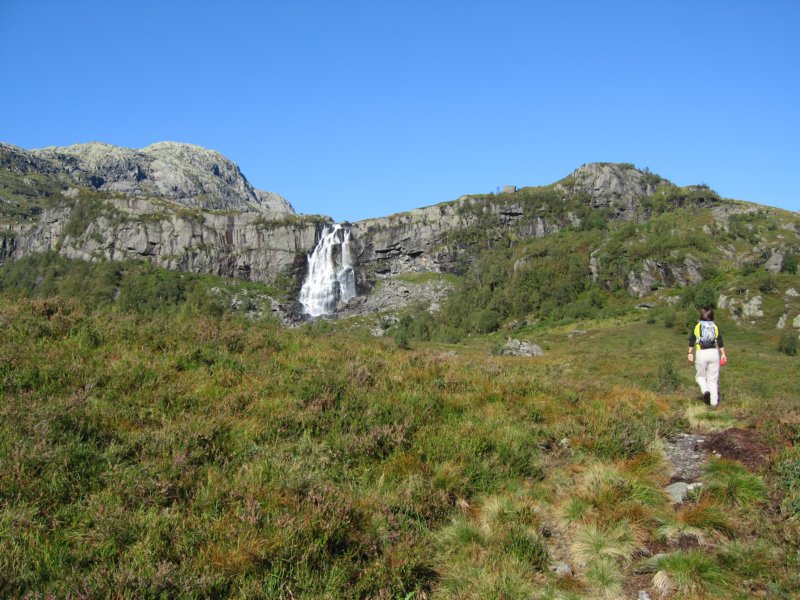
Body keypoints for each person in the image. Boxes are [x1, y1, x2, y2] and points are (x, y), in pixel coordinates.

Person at [687, 307, 727, 407]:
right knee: (713, 380)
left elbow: (692, 340)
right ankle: (714, 404)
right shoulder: (715, 326)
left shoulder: (697, 326)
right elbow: (720, 341)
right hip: (714, 353)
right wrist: (723, 354)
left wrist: (690, 353)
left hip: (701, 353)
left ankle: (705, 392)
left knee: (700, 377)